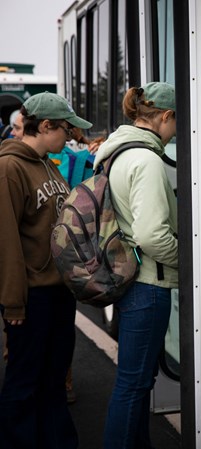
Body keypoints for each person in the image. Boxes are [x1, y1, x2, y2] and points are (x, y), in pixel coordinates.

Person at [0, 92, 92, 449]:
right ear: (46, 125)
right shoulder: (10, 168)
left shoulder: (48, 164)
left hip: (58, 293)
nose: (70, 137)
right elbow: (6, 240)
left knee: (53, 383)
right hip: (32, 297)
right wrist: (13, 304)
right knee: (24, 385)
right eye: (66, 129)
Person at [92, 82, 178, 449]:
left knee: (136, 383)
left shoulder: (116, 152)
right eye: (177, 123)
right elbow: (151, 235)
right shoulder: (147, 161)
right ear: (166, 116)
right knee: (133, 386)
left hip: (126, 281)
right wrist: (190, 262)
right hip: (147, 284)